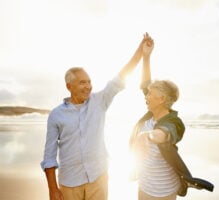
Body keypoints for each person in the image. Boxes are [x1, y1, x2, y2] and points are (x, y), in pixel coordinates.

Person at [40, 33, 153, 200]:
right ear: (69, 86)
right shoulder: (56, 115)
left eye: (89, 81)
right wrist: (53, 189)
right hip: (70, 182)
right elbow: (49, 156)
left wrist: (142, 52)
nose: (88, 87)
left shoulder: (99, 101)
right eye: (82, 83)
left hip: (98, 178)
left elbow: (121, 77)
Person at [129, 36, 214, 200]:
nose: (146, 97)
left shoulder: (175, 122)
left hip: (164, 190)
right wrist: (146, 56)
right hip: (144, 185)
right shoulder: (150, 115)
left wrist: (147, 135)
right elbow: (145, 82)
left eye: (151, 95)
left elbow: (165, 133)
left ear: (161, 99)